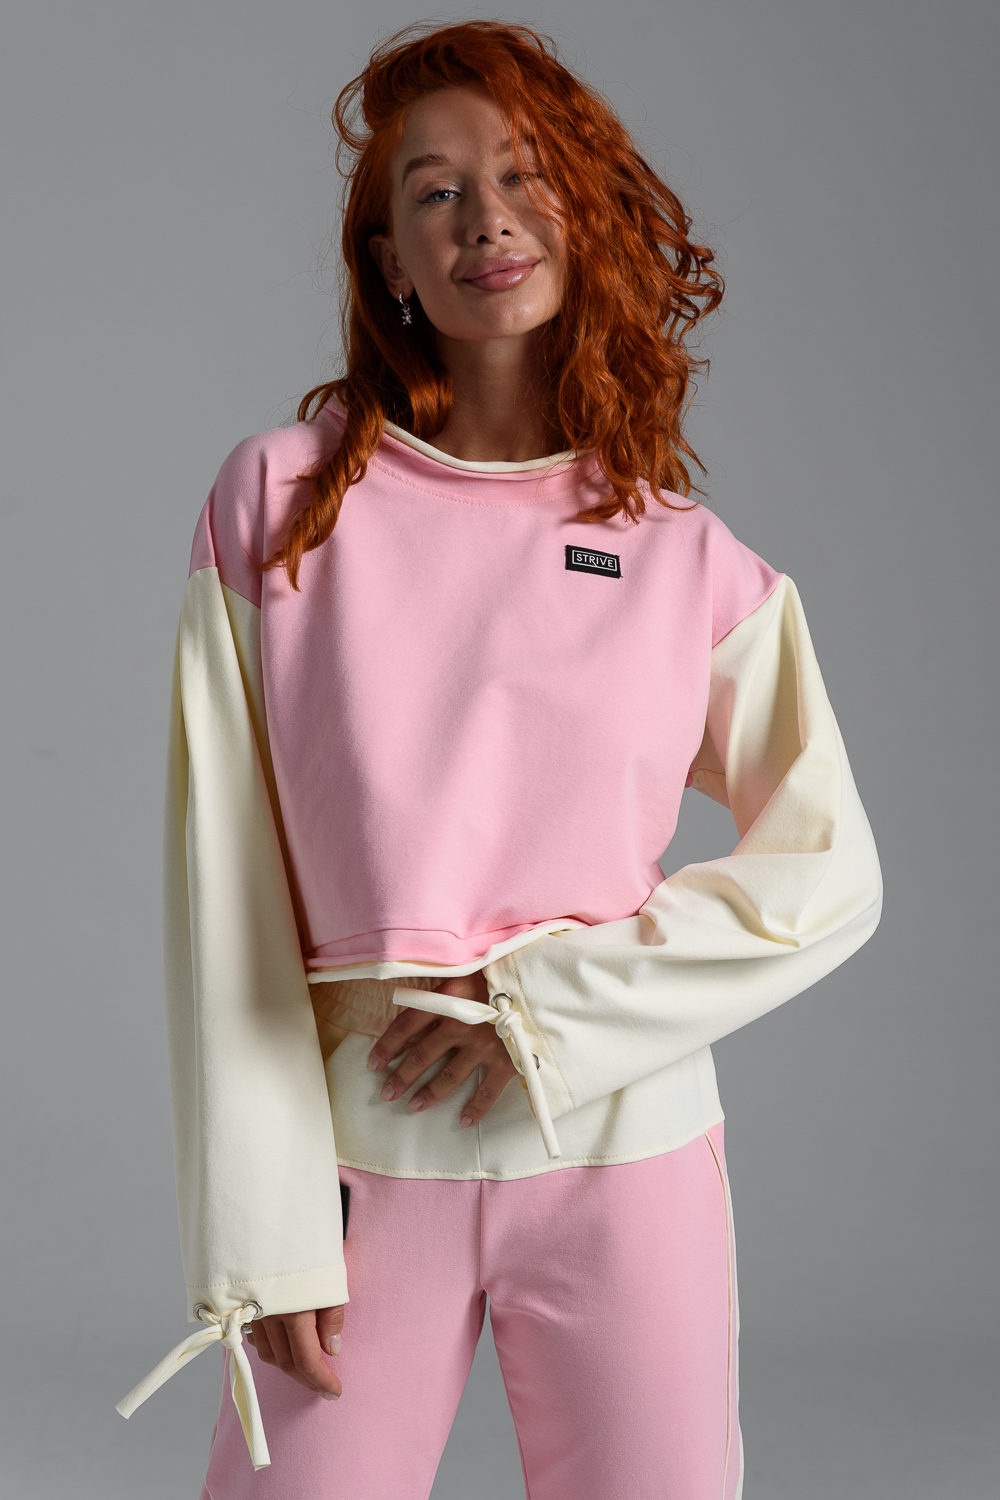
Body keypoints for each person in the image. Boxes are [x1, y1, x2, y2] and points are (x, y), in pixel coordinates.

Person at [116, 20, 882, 1500]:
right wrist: (259, 1233)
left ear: (579, 216)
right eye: (437, 191)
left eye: (524, 176)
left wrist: (542, 1010)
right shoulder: (282, 506)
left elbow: (831, 867)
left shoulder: (682, 556)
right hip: (362, 1164)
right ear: (391, 260)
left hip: (626, 1155)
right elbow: (224, 890)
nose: (487, 219)